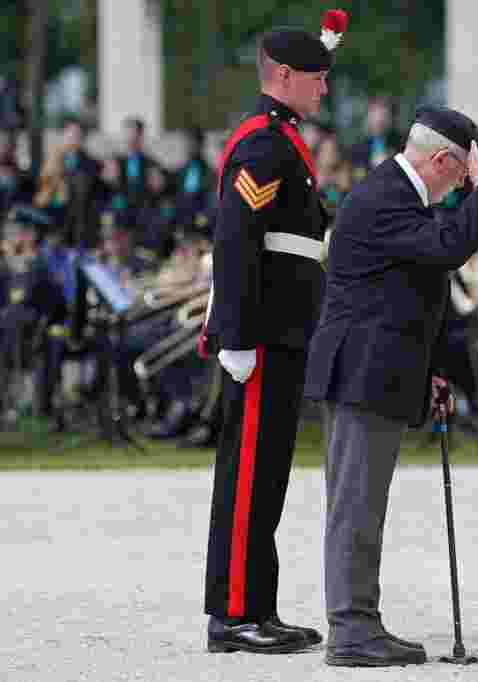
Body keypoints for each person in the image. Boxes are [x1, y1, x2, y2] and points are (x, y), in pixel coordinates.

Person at [303, 107, 478, 667]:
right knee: (356, 506)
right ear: (442, 160)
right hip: (362, 370)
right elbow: (445, 250)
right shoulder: (385, 196)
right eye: (461, 175)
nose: (462, 185)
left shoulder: (398, 195)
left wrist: (434, 368)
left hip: (379, 367)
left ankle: (359, 621)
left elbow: (416, 288)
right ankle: (350, 630)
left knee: (362, 504)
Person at [202, 9, 347, 655]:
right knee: (249, 477)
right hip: (260, 334)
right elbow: (238, 242)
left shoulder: (283, 138)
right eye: (317, 77)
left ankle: (258, 605)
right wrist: (234, 334)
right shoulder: (263, 141)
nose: (324, 89)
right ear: (284, 75)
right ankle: (234, 616)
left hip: (285, 330)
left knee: (269, 478)